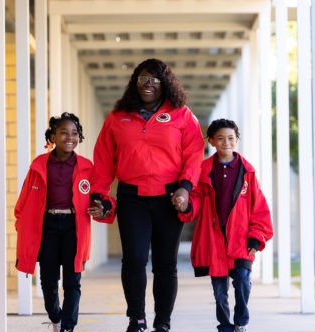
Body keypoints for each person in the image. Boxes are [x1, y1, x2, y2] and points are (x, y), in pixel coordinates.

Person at [89, 58, 205, 332]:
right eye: (143, 78)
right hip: (133, 199)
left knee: (165, 264)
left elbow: (194, 153)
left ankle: (162, 322)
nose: (148, 84)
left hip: (169, 198)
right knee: (135, 259)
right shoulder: (118, 117)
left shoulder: (181, 114)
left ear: (165, 83)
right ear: (134, 81)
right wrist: (99, 195)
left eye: (155, 79)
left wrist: (185, 187)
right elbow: (104, 159)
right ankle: (137, 319)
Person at [14, 112, 115, 332]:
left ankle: (68, 326)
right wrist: (21, 223)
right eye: (63, 133)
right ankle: (56, 318)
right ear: (52, 136)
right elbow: (24, 199)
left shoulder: (87, 167)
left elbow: (100, 194)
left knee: (72, 281)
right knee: (48, 281)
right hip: (47, 226)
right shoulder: (38, 165)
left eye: (75, 133)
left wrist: (104, 206)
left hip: (74, 227)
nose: (70, 137)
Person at [178, 119, 273, 332]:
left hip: (240, 238)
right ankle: (224, 325)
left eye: (230, 138)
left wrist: (256, 237)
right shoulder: (203, 171)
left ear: (237, 140)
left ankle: (241, 321)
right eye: (220, 138)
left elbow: (259, 208)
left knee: (242, 282)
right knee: (219, 290)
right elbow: (195, 200)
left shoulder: (247, 172)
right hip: (214, 238)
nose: (226, 143)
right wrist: (185, 206)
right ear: (211, 141)